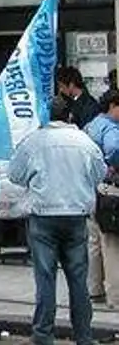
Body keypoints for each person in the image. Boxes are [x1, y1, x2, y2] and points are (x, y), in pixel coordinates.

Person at [9, 96, 106, 345]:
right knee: (78, 280)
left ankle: (43, 334)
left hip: (43, 216)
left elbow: (15, 175)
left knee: (45, 278)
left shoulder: (33, 142)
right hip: (76, 215)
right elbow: (100, 173)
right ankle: (84, 336)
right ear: (70, 116)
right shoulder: (85, 141)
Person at [84, 90, 119, 307]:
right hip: (110, 191)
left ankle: (94, 289)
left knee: (94, 242)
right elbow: (115, 148)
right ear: (113, 106)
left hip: (91, 189)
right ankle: (116, 296)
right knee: (112, 245)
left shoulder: (91, 124)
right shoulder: (111, 128)